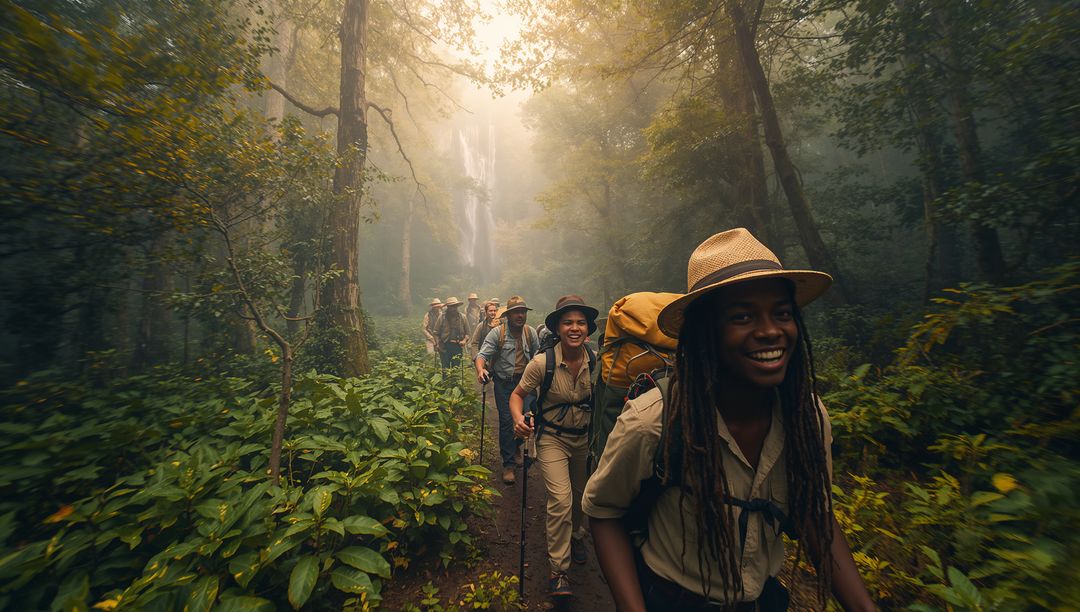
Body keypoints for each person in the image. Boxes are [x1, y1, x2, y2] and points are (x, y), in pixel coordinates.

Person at [582, 228, 875, 611]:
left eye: (782, 313)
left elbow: (815, 516)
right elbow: (604, 512)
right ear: (706, 333)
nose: (771, 330)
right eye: (742, 316)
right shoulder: (655, 420)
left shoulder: (807, 418)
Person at [511, 295, 599, 600]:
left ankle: (577, 535)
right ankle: (558, 571)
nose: (574, 328)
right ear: (558, 328)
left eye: (580, 322)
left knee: (580, 497)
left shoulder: (596, 361)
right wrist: (518, 420)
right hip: (552, 439)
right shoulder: (542, 362)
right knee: (561, 501)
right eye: (568, 322)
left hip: (585, 440)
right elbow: (517, 395)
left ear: (587, 328)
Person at [475, 296, 540, 484]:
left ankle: (517, 445)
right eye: (516, 312)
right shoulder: (498, 333)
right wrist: (481, 369)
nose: (520, 315)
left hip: (525, 384)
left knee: (526, 418)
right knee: (506, 421)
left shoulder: (531, 333)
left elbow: (538, 357)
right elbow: (482, 354)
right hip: (504, 384)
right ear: (508, 315)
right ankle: (508, 464)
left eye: (523, 312)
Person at [435, 296, 469, 369]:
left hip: (457, 346)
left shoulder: (463, 317)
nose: (454, 308)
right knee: (445, 369)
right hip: (444, 346)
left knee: (456, 369)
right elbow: (436, 332)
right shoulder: (442, 317)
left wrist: (464, 340)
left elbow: (468, 333)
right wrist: (438, 344)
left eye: (455, 306)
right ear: (448, 307)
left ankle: (454, 380)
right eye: (451, 306)